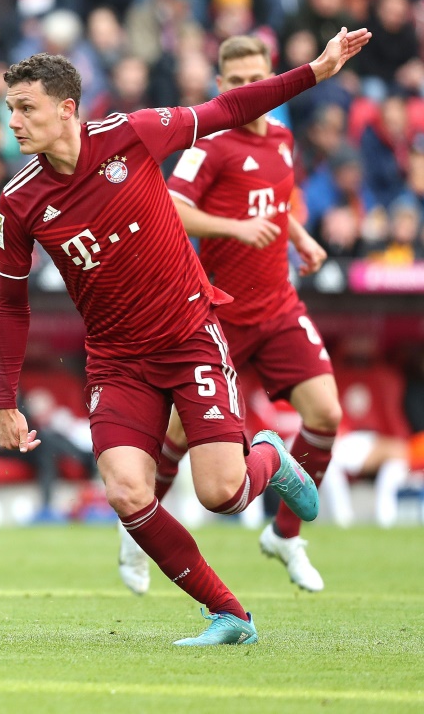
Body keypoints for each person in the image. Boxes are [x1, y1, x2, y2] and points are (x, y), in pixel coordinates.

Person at [0, 27, 371, 646]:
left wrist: (315, 72)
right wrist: (5, 399)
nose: (14, 121)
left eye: (25, 107)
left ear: (66, 109)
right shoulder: (19, 201)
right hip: (117, 362)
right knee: (125, 489)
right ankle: (230, 615)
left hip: (189, 336)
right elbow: (11, 306)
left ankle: (269, 456)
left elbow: (228, 108)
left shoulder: (130, 134)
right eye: (10, 108)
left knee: (222, 493)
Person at [115, 35, 343, 597]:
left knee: (328, 414)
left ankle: (286, 536)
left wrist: (300, 237)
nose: (246, 88)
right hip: (219, 315)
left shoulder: (285, 140)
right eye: (235, 81)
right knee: (175, 435)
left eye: (254, 78)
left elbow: (272, 198)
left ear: (270, 79)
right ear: (221, 87)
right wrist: (234, 230)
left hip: (280, 306)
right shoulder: (210, 145)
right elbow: (169, 205)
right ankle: (138, 530)